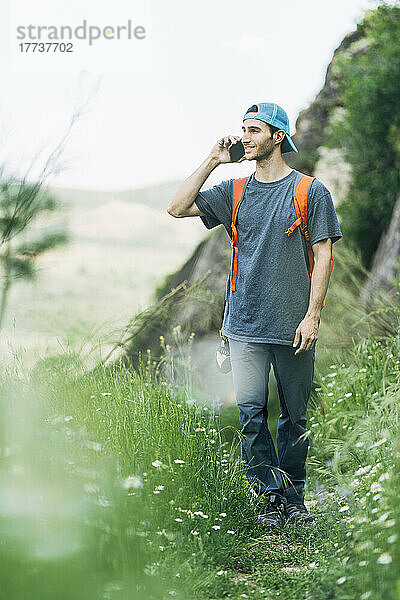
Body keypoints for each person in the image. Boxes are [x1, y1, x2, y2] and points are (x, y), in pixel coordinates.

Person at [167, 102, 342, 529]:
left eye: (254, 130)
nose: (244, 137)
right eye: (243, 129)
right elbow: (177, 207)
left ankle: (294, 499)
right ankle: (269, 497)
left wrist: (312, 315)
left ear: (277, 137)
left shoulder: (309, 191)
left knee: (294, 415)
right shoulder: (234, 191)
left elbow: (323, 255)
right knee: (250, 415)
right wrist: (212, 159)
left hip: (293, 327)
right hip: (242, 327)